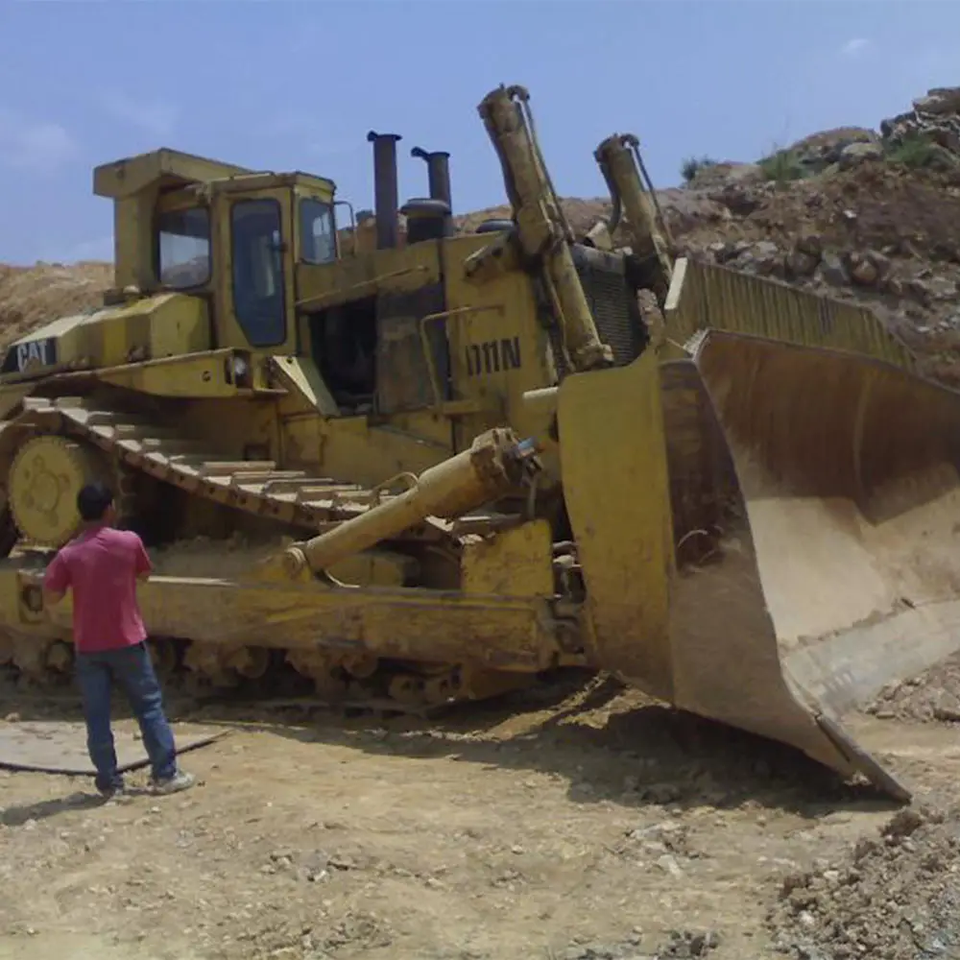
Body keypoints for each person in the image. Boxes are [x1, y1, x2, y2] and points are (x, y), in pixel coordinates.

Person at [42, 481, 194, 798]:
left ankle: (110, 782)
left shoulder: (69, 553)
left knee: (97, 715)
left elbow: (51, 596)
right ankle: (165, 774)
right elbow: (144, 575)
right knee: (148, 706)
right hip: (127, 640)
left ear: (81, 513)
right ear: (110, 509)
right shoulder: (129, 542)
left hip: (89, 646)